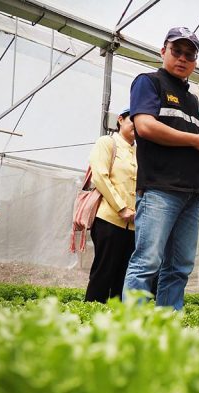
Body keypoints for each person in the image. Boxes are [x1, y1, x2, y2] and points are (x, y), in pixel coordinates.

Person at [123, 27, 199, 310]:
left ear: (195, 62)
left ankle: (168, 324)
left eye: (189, 55)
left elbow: (193, 147)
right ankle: (131, 326)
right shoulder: (148, 82)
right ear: (162, 51)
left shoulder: (192, 100)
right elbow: (145, 126)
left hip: (192, 192)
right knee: (147, 261)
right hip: (159, 188)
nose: (182, 58)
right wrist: (195, 139)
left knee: (179, 267)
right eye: (176, 51)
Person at [84, 108, 137, 303]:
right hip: (109, 219)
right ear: (120, 120)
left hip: (134, 225)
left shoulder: (140, 152)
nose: (138, 126)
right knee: (104, 271)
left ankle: (117, 317)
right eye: (133, 120)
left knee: (124, 276)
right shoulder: (107, 142)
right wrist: (121, 207)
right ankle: (91, 313)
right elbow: (100, 176)